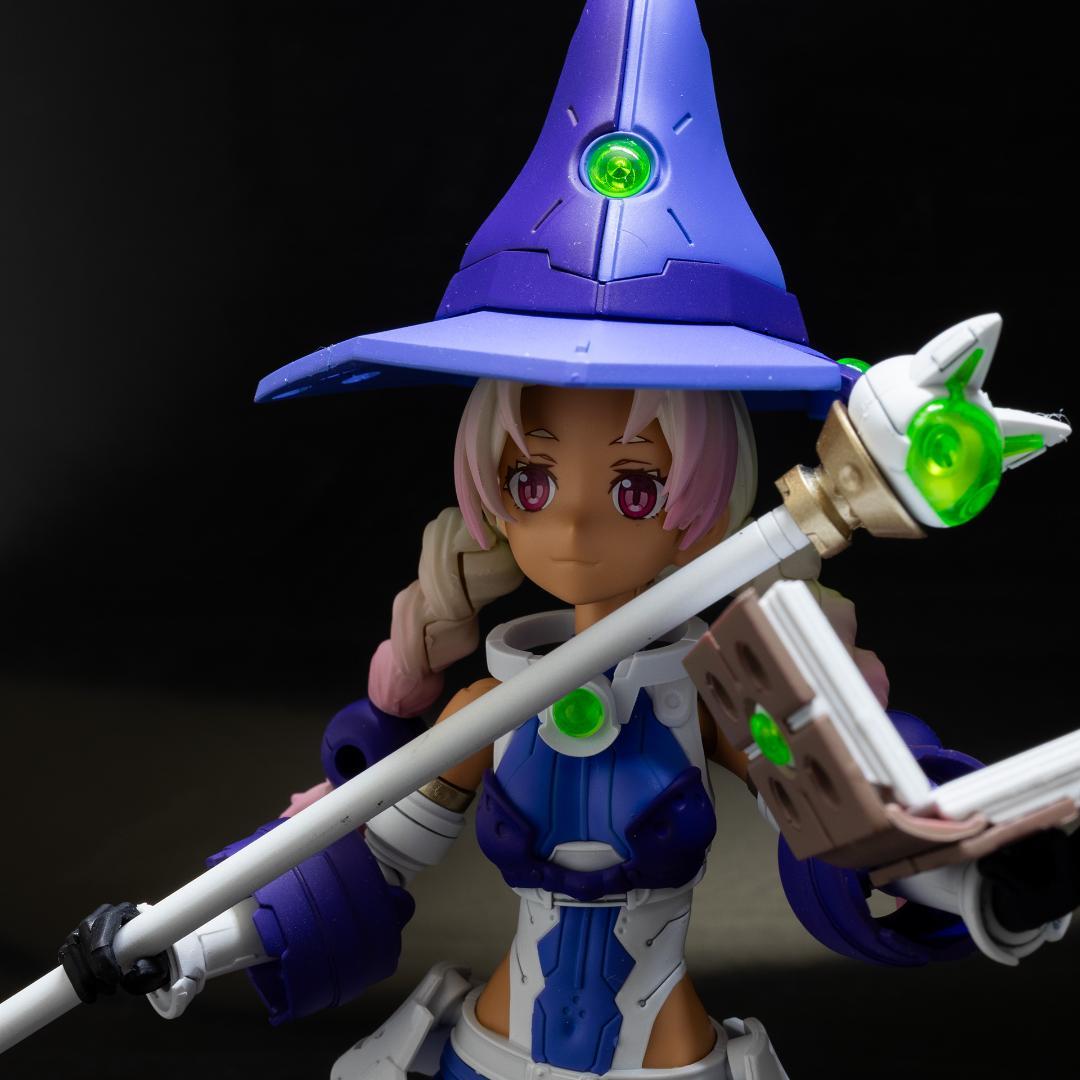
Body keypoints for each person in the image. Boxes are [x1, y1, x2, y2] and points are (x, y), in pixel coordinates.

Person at [53, 3, 1080, 1078]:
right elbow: (348, 863)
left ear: (711, 489)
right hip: (490, 1053)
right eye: (531, 481)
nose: (576, 522)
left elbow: (855, 825)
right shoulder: (482, 712)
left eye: (638, 489)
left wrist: (983, 876)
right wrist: (175, 944)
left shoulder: (724, 706)